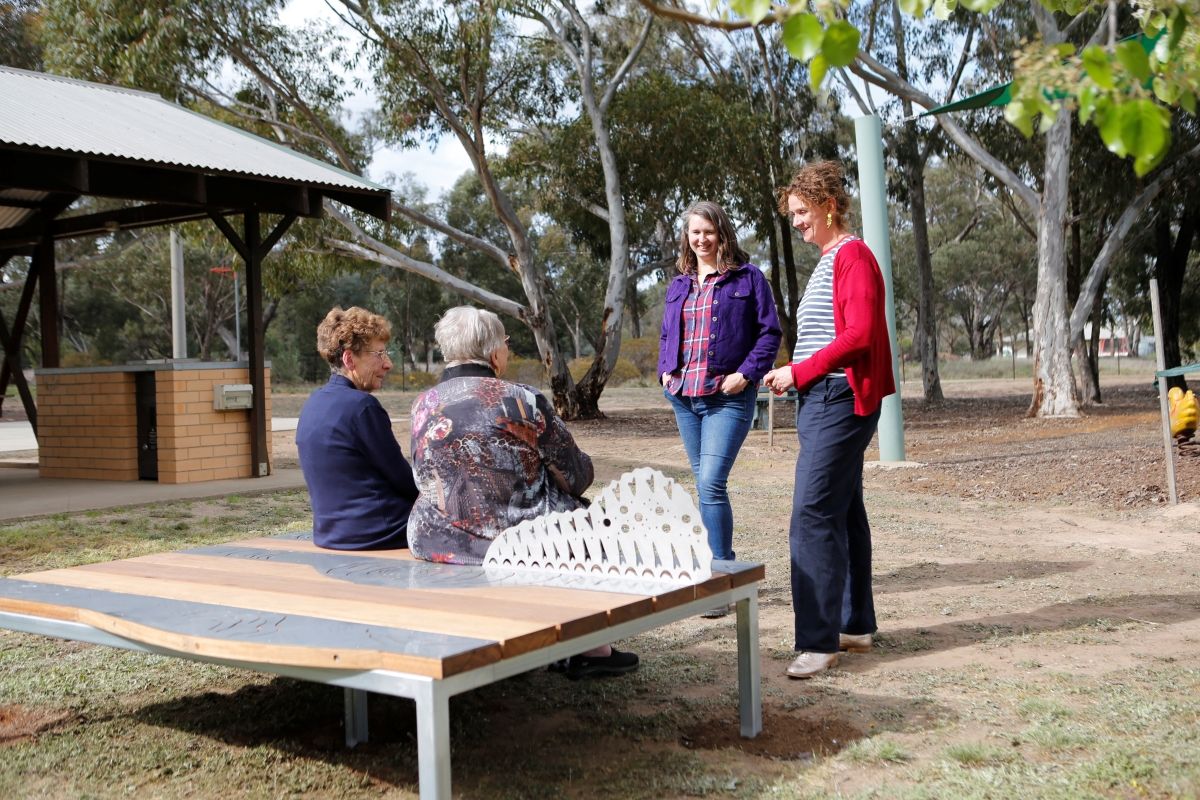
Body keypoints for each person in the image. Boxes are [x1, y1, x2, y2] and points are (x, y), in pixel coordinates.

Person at [409, 306, 638, 679]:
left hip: (436, 538)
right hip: (517, 542)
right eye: (506, 343)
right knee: (591, 517)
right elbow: (576, 476)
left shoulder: (423, 404)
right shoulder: (522, 400)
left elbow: (422, 474)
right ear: (494, 352)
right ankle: (590, 647)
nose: (508, 351)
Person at [763, 161, 895, 679]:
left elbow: (859, 335)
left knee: (811, 515)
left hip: (838, 400)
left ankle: (818, 641)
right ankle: (853, 624)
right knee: (840, 510)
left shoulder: (852, 256)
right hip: (822, 397)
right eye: (792, 215)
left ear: (829, 206)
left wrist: (800, 370)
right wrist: (797, 374)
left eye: (801, 212)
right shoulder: (829, 259)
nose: (796, 222)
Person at [657, 201, 782, 589]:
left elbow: (769, 334)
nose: (701, 238)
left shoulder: (748, 278)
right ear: (687, 237)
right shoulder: (679, 284)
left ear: (722, 233)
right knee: (704, 484)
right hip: (684, 395)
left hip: (726, 396)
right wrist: (664, 371)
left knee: (711, 483)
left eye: (708, 231)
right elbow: (666, 334)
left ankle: (720, 578)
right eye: (695, 232)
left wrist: (746, 375)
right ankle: (712, 570)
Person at [296, 306, 419, 550]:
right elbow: (403, 481)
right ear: (349, 358)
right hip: (380, 533)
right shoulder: (362, 407)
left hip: (330, 535)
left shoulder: (312, 404)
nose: (388, 364)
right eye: (379, 354)